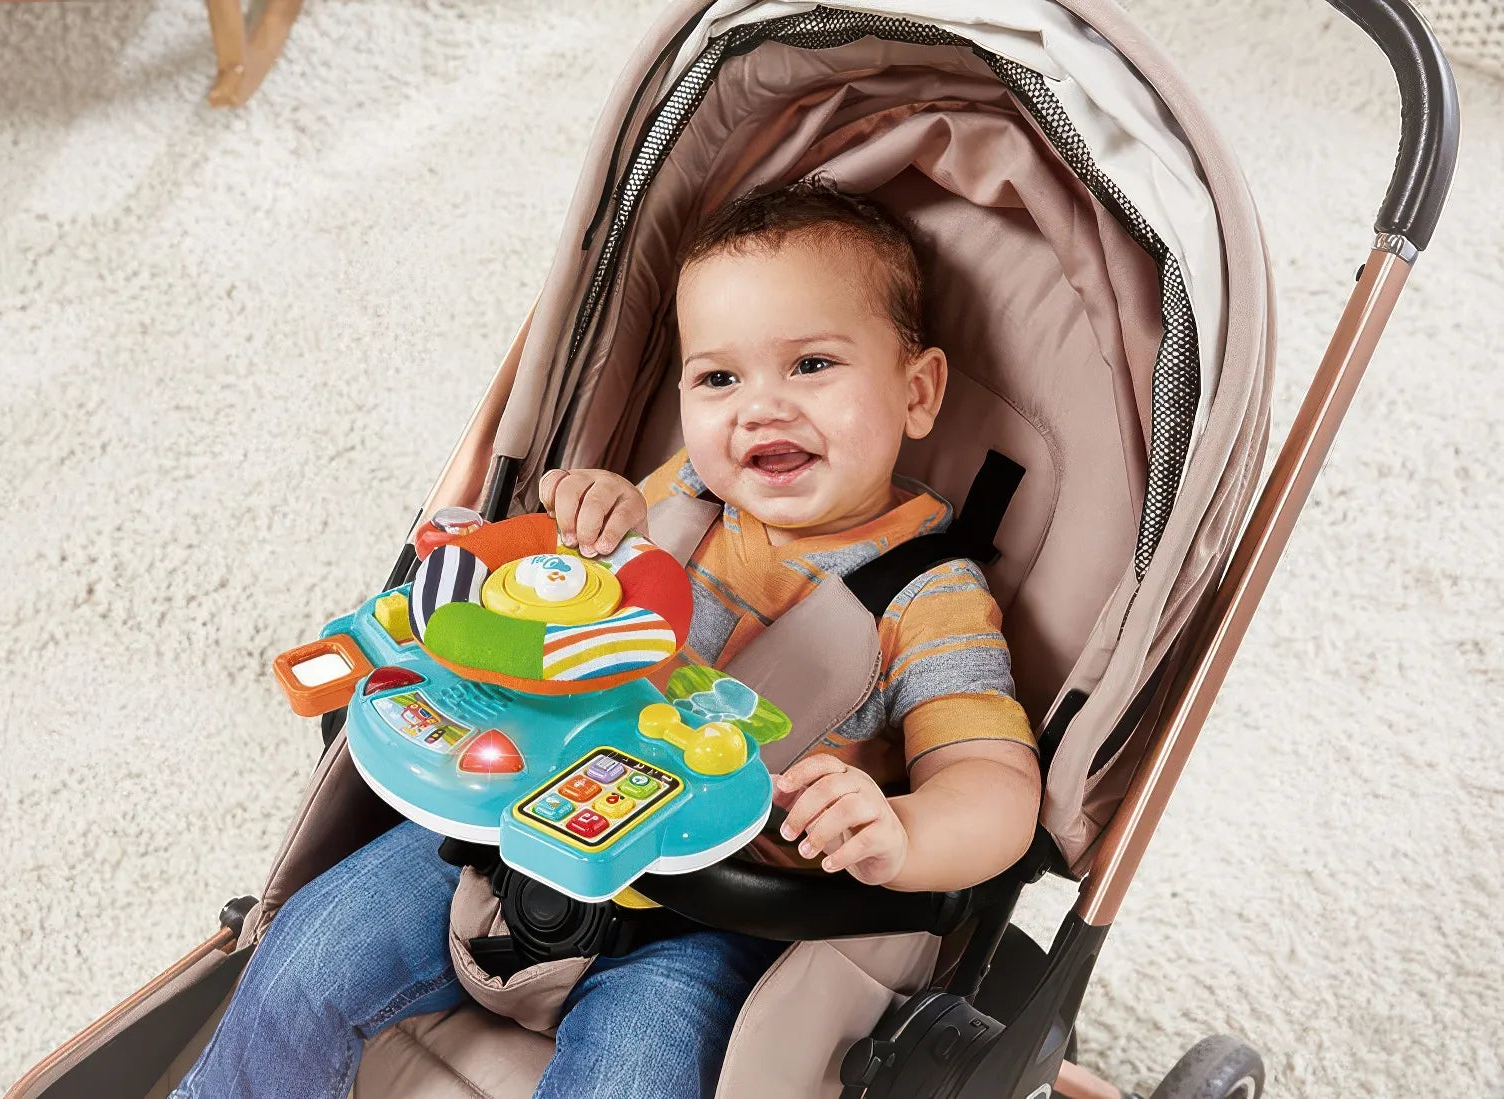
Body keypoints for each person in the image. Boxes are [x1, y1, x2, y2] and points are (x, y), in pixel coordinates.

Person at [171, 178, 1041, 1099]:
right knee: (308, 955)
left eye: (812, 364)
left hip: (713, 917)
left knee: (630, 1077)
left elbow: (995, 785)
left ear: (918, 391)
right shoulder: (685, 493)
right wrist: (593, 518)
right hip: (518, 828)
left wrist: (901, 831)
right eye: (719, 378)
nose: (760, 408)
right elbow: (571, 600)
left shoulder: (932, 596)